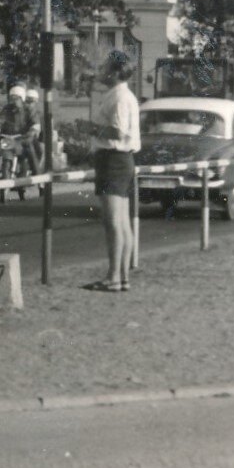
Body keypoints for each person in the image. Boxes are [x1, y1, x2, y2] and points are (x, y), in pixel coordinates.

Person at [89, 50, 140, 293]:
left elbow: (118, 132)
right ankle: (122, 277)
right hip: (122, 160)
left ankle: (113, 277)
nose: (102, 70)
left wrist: (91, 128)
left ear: (116, 72)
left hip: (113, 159)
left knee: (112, 222)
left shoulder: (119, 97)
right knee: (122, 222)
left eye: (106, 67)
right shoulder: (123, 95)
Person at [0, 85, 35, 200]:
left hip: (21, 140)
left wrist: (31, 131)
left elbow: (34, 123)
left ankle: (38, 183)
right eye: (12, 98)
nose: (14, 101)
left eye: (16, 98)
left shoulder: (28, 110)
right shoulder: (7, 109)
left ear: (22, 98)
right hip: (7, 140)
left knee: (28, 160)